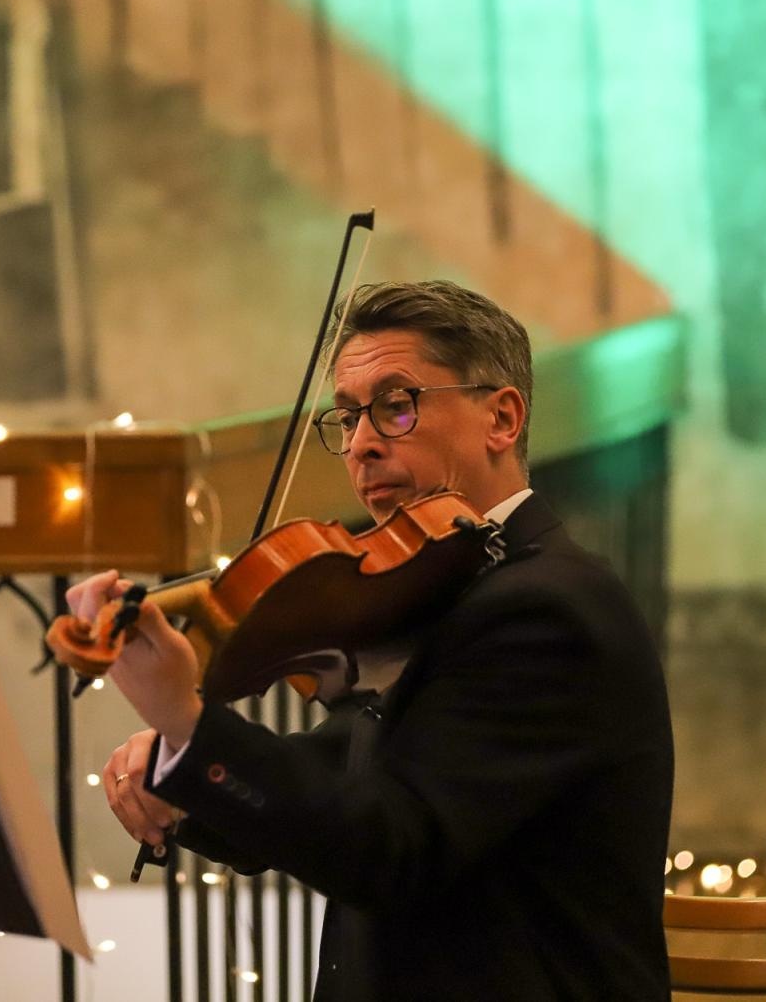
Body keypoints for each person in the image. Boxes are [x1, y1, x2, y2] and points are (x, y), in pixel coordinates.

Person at [69, 280, 674, 999]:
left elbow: (388, 849)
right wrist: (180, 777)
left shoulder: (547, 610)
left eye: (395, 406)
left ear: (502, 418)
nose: (358, 445)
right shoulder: (441, 588)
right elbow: (337, 779)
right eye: (348, 418)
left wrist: (187, 725)